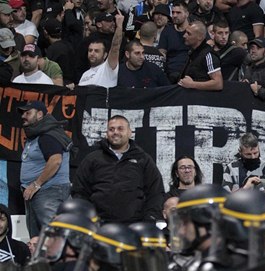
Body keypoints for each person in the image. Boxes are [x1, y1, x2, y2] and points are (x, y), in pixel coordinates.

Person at [72, 115, 165, 224]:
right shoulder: (92, 159)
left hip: (134, 226)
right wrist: (88, 217)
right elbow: (79, 191)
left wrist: (150, 218)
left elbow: (156, 192)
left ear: (130, 133)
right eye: (111, 129)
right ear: (107, 134)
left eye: (120, 128)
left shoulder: (143, 159)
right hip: (99, 226)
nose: (115, 132)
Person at [19, 100, 71, 237]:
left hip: (49, 192)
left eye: (28, 113)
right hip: (40, 194)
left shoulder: (48, 135)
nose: (23, 116)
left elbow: (55, 161)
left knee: (55, 236)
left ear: (40, 114)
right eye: (23, 113)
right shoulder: (38, 135)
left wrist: (36, 184)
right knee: (38, 240)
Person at [78, 10, 124, 87]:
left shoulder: (108, 68)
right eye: (90, 50)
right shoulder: (85, 74)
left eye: (96, 51)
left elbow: (115, 47)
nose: (113, 23)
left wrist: (119, 26)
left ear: (105, 54)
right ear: (99, 24)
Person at [178, 20, 223, 91]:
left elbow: (218, 84)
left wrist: (192, 84)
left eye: (189, 34)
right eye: (185, 32)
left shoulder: (208, 55)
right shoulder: (193, 52)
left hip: (203, 98)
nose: (184, 36)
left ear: (199, 37)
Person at [158, 1, 190, 83]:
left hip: (190, 72)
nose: (174, 15)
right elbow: (161, 53)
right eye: (173, 12)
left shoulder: (194, 30)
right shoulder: (167, 31)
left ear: (187, 14)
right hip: (170, 73)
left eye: (178, 12)